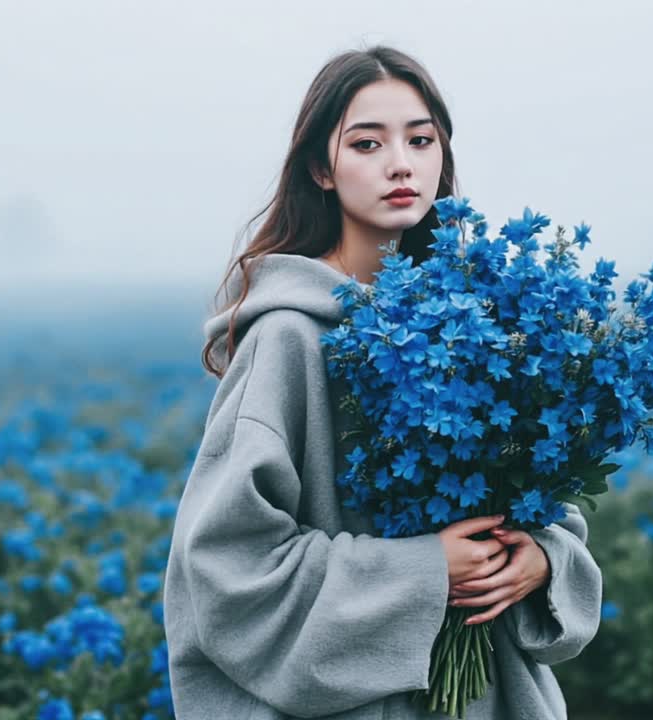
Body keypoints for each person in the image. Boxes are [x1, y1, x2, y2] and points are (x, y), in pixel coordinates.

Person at [163, 44, 603, 720]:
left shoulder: (484, 323)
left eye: (421, 140)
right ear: (322, 167)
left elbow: (548, 506)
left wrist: (542, 561)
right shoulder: (289, 338)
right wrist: (425, 572)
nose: (401, 162)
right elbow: (227, 567)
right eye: (367, 143)